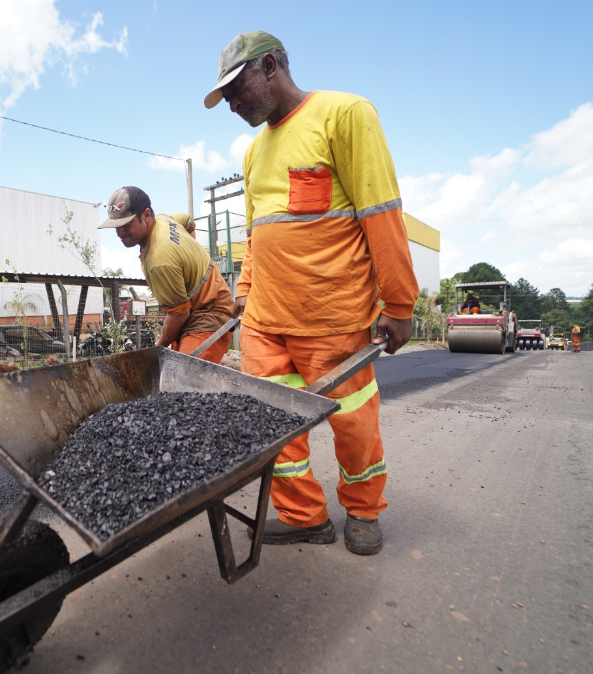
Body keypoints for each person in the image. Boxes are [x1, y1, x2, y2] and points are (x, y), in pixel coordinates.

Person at [204, 32, 418, 555]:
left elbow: (380, 213)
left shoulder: (345, 115)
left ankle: (363, 510)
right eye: (225, 98)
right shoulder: (254, 153)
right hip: (265, 324)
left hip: (333, 318)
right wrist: (244, 293)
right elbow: (257, 235)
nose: (232, 104)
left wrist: (399, 304)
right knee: (274, 429)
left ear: (270, 66)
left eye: (236, 89)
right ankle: (304, 516)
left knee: (354, 422)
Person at [99, 186, 235, 363]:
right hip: (194, 311)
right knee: (175, 369)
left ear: (146, 215)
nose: (120, 232)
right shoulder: (163, 220)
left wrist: (158, 347)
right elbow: (188, 221)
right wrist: (189, 256)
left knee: (184, 377)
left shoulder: (159, 259)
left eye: (126, 224)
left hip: (210, 314)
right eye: (116, 226)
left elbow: (179, 314)